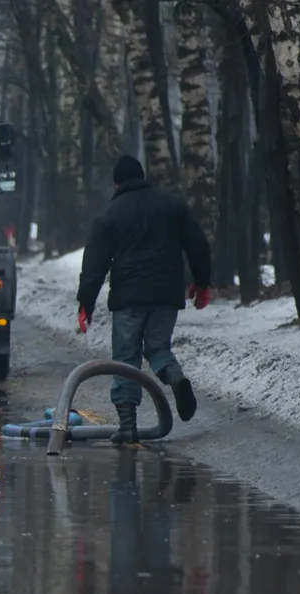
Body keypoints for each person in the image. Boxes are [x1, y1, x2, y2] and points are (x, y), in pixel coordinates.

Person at [76, 155, 213, 444]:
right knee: (158, 347)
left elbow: (94, 264)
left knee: (126, 359)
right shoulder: (172, 205)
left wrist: (85, 303)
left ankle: (128, 426)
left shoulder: (110, 214)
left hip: (129, 298)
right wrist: (202, 282)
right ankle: (174, 376)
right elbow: (198, 244)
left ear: (116, 183)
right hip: (166, 294)